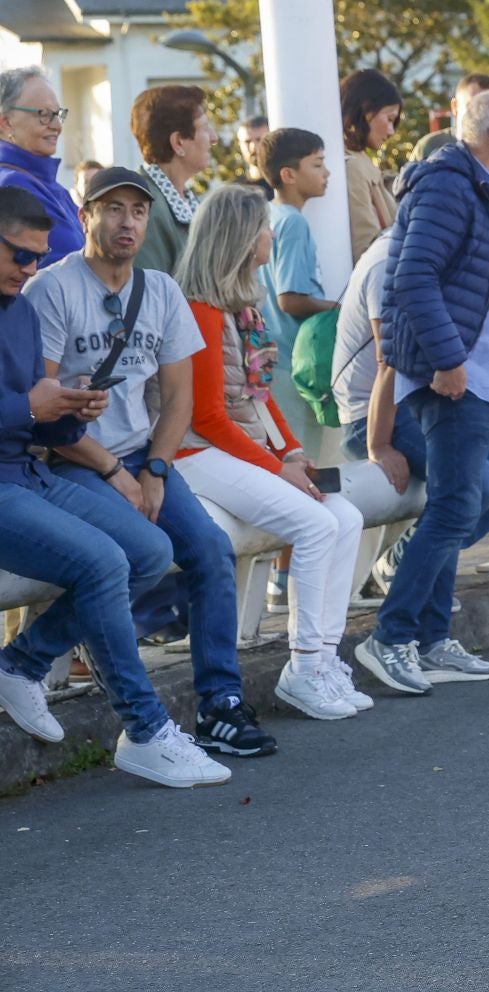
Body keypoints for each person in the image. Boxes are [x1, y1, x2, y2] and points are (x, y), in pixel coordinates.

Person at [26, 167, 276, 756]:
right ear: (85, 216)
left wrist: (155, 469)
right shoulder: (54, 290)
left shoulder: (160, 290)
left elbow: (179, 398)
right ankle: (31, 661)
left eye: (137, 211)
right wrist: (114, 473)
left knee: (209, 549)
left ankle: (221, 703)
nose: (127, 222)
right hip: (74, 459)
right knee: (129, 559)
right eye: (112, 209)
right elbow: (46, 409)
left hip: (143, 455)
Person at [0, 187, 233, 785]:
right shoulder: (46, 294)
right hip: (20, 479)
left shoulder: (19, 309)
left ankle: (20, 662)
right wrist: (37, 411)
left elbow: (43, 415)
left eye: (35, 256)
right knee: (106, 561)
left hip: (27, 470)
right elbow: (26, 408)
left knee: (154, 551)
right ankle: (147, 728)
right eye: (18, 256)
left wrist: (75, 408)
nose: (28, 269)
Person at [357, 88, 489, 694]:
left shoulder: (482, 185)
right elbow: (413, 277)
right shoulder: (448, 182)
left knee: (456, 503)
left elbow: (478, 285)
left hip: (475, 371)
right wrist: (448, 358)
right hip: (452, 377)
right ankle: (389, 638)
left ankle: (433, 638)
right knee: (452, 508)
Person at [172, 184, 371, 720]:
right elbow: (207, 418)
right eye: (263, 228)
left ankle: (326, 657)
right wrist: (276, 467)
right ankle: (303, 667)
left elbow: (259, 399)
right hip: (194, 455)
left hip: (238, 449)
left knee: (346, 517)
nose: (269, 236)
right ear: (240, 237)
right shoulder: (200, 310)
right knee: (315, 525)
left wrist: (291, 452)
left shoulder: (242, 307)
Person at [257, 128, 339, 370]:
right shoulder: (294, 222)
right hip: (293, 357)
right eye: (317, 165)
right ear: (288, 175)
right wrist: (340, 309)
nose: (327, 172)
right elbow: (290, 300)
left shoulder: (268, 214)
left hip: (269, 354)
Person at [0, 65, 83, 263]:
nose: (57, 126)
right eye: (43, 114)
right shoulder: (13, 186)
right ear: (6, 123)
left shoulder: (53, 188)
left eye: (58, 114)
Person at [130, 84, 215, 276]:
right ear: (178, 143)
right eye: (204, 128)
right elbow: (151, 295)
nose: (213, 137)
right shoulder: (144, 207)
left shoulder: (187, 198)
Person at [340, 68, 403, 262]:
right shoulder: (352, 166)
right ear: (366, 110)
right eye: (389, 119)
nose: (392, 131)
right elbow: (366, 247)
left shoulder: (359, 160)